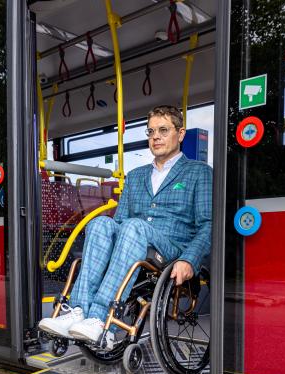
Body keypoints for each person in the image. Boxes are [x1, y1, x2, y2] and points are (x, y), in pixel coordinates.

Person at [39, 105, 212, 349]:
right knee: (100, 222)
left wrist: (190, 260)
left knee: (132, 227)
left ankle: (100, 319)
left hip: (172, 249)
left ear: (180, 134)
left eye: (163, 130)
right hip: (134, 241)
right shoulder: (136, 175)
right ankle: (77, 310)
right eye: (151, 132)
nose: (156, 137)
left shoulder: (199, 173)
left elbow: (208, 225)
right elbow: (118, 222)